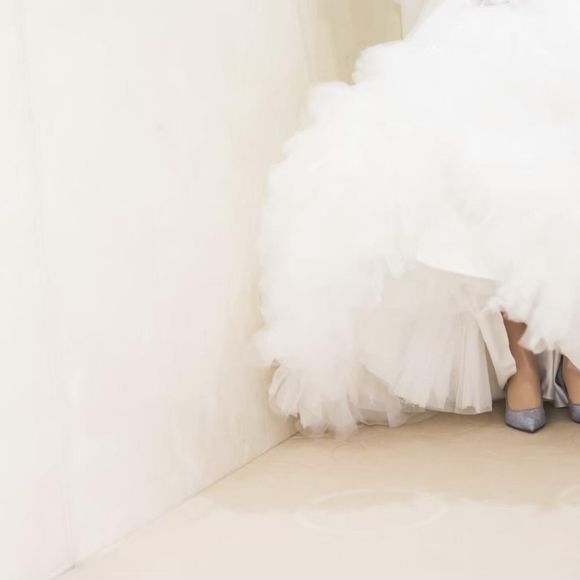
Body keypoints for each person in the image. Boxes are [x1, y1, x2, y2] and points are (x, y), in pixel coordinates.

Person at [255, 0, 580, 435]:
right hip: (476, 25)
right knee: (489, 185)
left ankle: (574, 357)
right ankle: (521, 363)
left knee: (560, 179)